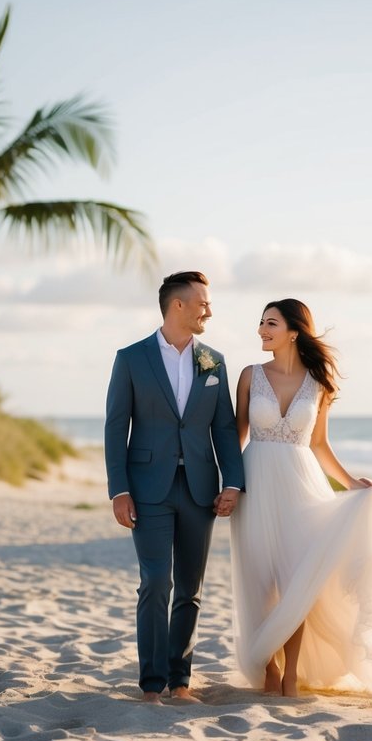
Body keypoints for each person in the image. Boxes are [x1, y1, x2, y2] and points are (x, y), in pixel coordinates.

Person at [230, 299, 372, 697]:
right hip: (256, 483)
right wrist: (228, 485)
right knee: (260, 581)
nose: (262, 330)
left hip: (300, 484)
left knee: (297, 581)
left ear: (293, 331)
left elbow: (319, 444)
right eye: (261, 323)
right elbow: (237, 438)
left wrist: (351, 484)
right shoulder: (249, 375)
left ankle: (292, 674)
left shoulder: (319, 384)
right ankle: (269, 670)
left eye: (270, 323)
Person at [104, 271, 245, 704]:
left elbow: (224, 427)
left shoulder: (214, 361)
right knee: (155, 583)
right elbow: (115, 427)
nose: (209, 310)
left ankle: (179, 682)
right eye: (202, 302)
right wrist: (118, 489)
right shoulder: (131, 358)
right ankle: (151, 684)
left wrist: (234, 482)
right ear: (177, 305)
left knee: (190, 588)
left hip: (200, 488)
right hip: (148, 488)